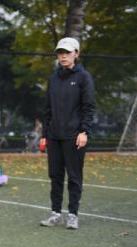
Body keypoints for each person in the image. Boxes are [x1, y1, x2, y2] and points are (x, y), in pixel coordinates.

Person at [39, 37, 94, 230]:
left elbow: (88, 107)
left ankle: (73, 214)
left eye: (67, 52)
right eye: (60, 53)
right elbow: (47, 109)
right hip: (54, 136)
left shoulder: (83, 77)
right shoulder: (53, 79)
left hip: (74, 136)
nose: (63, 56)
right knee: (55, 176)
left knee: (74, 176)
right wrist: (45, 134)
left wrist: (84, 131)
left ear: (76, 54)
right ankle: (55, 213)